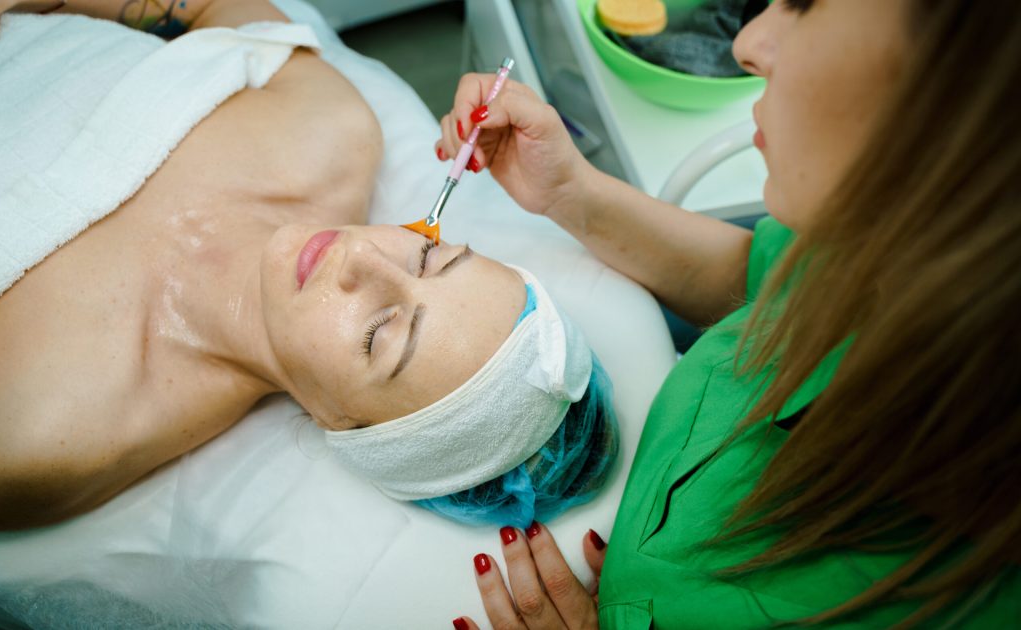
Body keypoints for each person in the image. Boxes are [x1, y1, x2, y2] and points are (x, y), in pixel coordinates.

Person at [435, 0, 1020, 627]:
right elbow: (764, 280)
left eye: (804, 4)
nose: (746, 42)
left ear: (965, 113)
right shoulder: (895, 250)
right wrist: (569, 192)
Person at [0, 0, 617, 532]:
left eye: (379, 332)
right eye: (429, 254)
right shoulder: (333, 133)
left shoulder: (43, 429)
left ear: (342, 425)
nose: (361, 255)